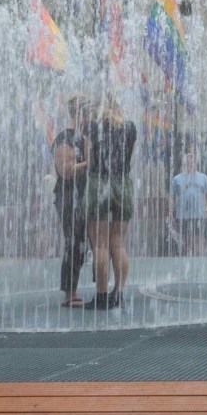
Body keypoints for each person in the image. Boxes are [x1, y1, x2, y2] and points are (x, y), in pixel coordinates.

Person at [84, 100, 137, 310]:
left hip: (100, 183)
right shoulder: (130, 128)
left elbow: (91, 161)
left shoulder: (92, 128)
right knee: (118, 243)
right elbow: (128, 157)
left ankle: (102, 296)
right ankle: (119, 293)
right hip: (122, 184)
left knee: (100, 244)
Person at [52, 101, 93, 308]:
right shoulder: (64, 139)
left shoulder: (84, 138)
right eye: (87, 115)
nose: (89, 120)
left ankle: (80, 287)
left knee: (83, 243)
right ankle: (69, 292)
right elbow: (65, 171)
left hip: (83, 195)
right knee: (73, 242)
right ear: (78, 114)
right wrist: (90, 162)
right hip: (68, 197)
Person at [171, 147, 207, 256]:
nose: (190, 163)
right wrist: (170, 212)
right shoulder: (177, 179)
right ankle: (187, 258)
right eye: (188, 161)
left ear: (195, 163)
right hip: (183, 215)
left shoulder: (203, 178)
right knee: (185, 239)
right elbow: (173, 196)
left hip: (199, 214)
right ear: (184, 163)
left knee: (198, 238)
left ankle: (197, 257)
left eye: (192, 161)